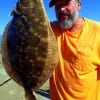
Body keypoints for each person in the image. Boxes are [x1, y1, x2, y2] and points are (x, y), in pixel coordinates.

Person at [49, 0, 100, 100]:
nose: (61, 9)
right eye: (58, 6)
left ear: (79, 5)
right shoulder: (49, 30)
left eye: (66, 3)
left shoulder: (97, 31)